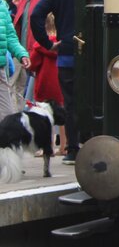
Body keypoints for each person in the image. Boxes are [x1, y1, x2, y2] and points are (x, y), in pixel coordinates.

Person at [31, 0, 101, 165]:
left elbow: (36, 16)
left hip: (67, 54)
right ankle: (95, 145)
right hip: (96, 55)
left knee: (70, 103)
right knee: (96, 99)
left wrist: (47, 43)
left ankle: (72, 150)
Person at [28, 13, 65, 154]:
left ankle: (48, 146)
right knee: (62, 114)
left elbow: (33, 64)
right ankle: (64, 146)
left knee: (45, 116)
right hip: (60, 82)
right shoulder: (63, 42)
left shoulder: (40, 46)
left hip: (44, 83)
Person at [0, 0, 30, 119]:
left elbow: (11, 36)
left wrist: (22, 54)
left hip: (1, 70)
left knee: (7, 115)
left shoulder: (2, 6)